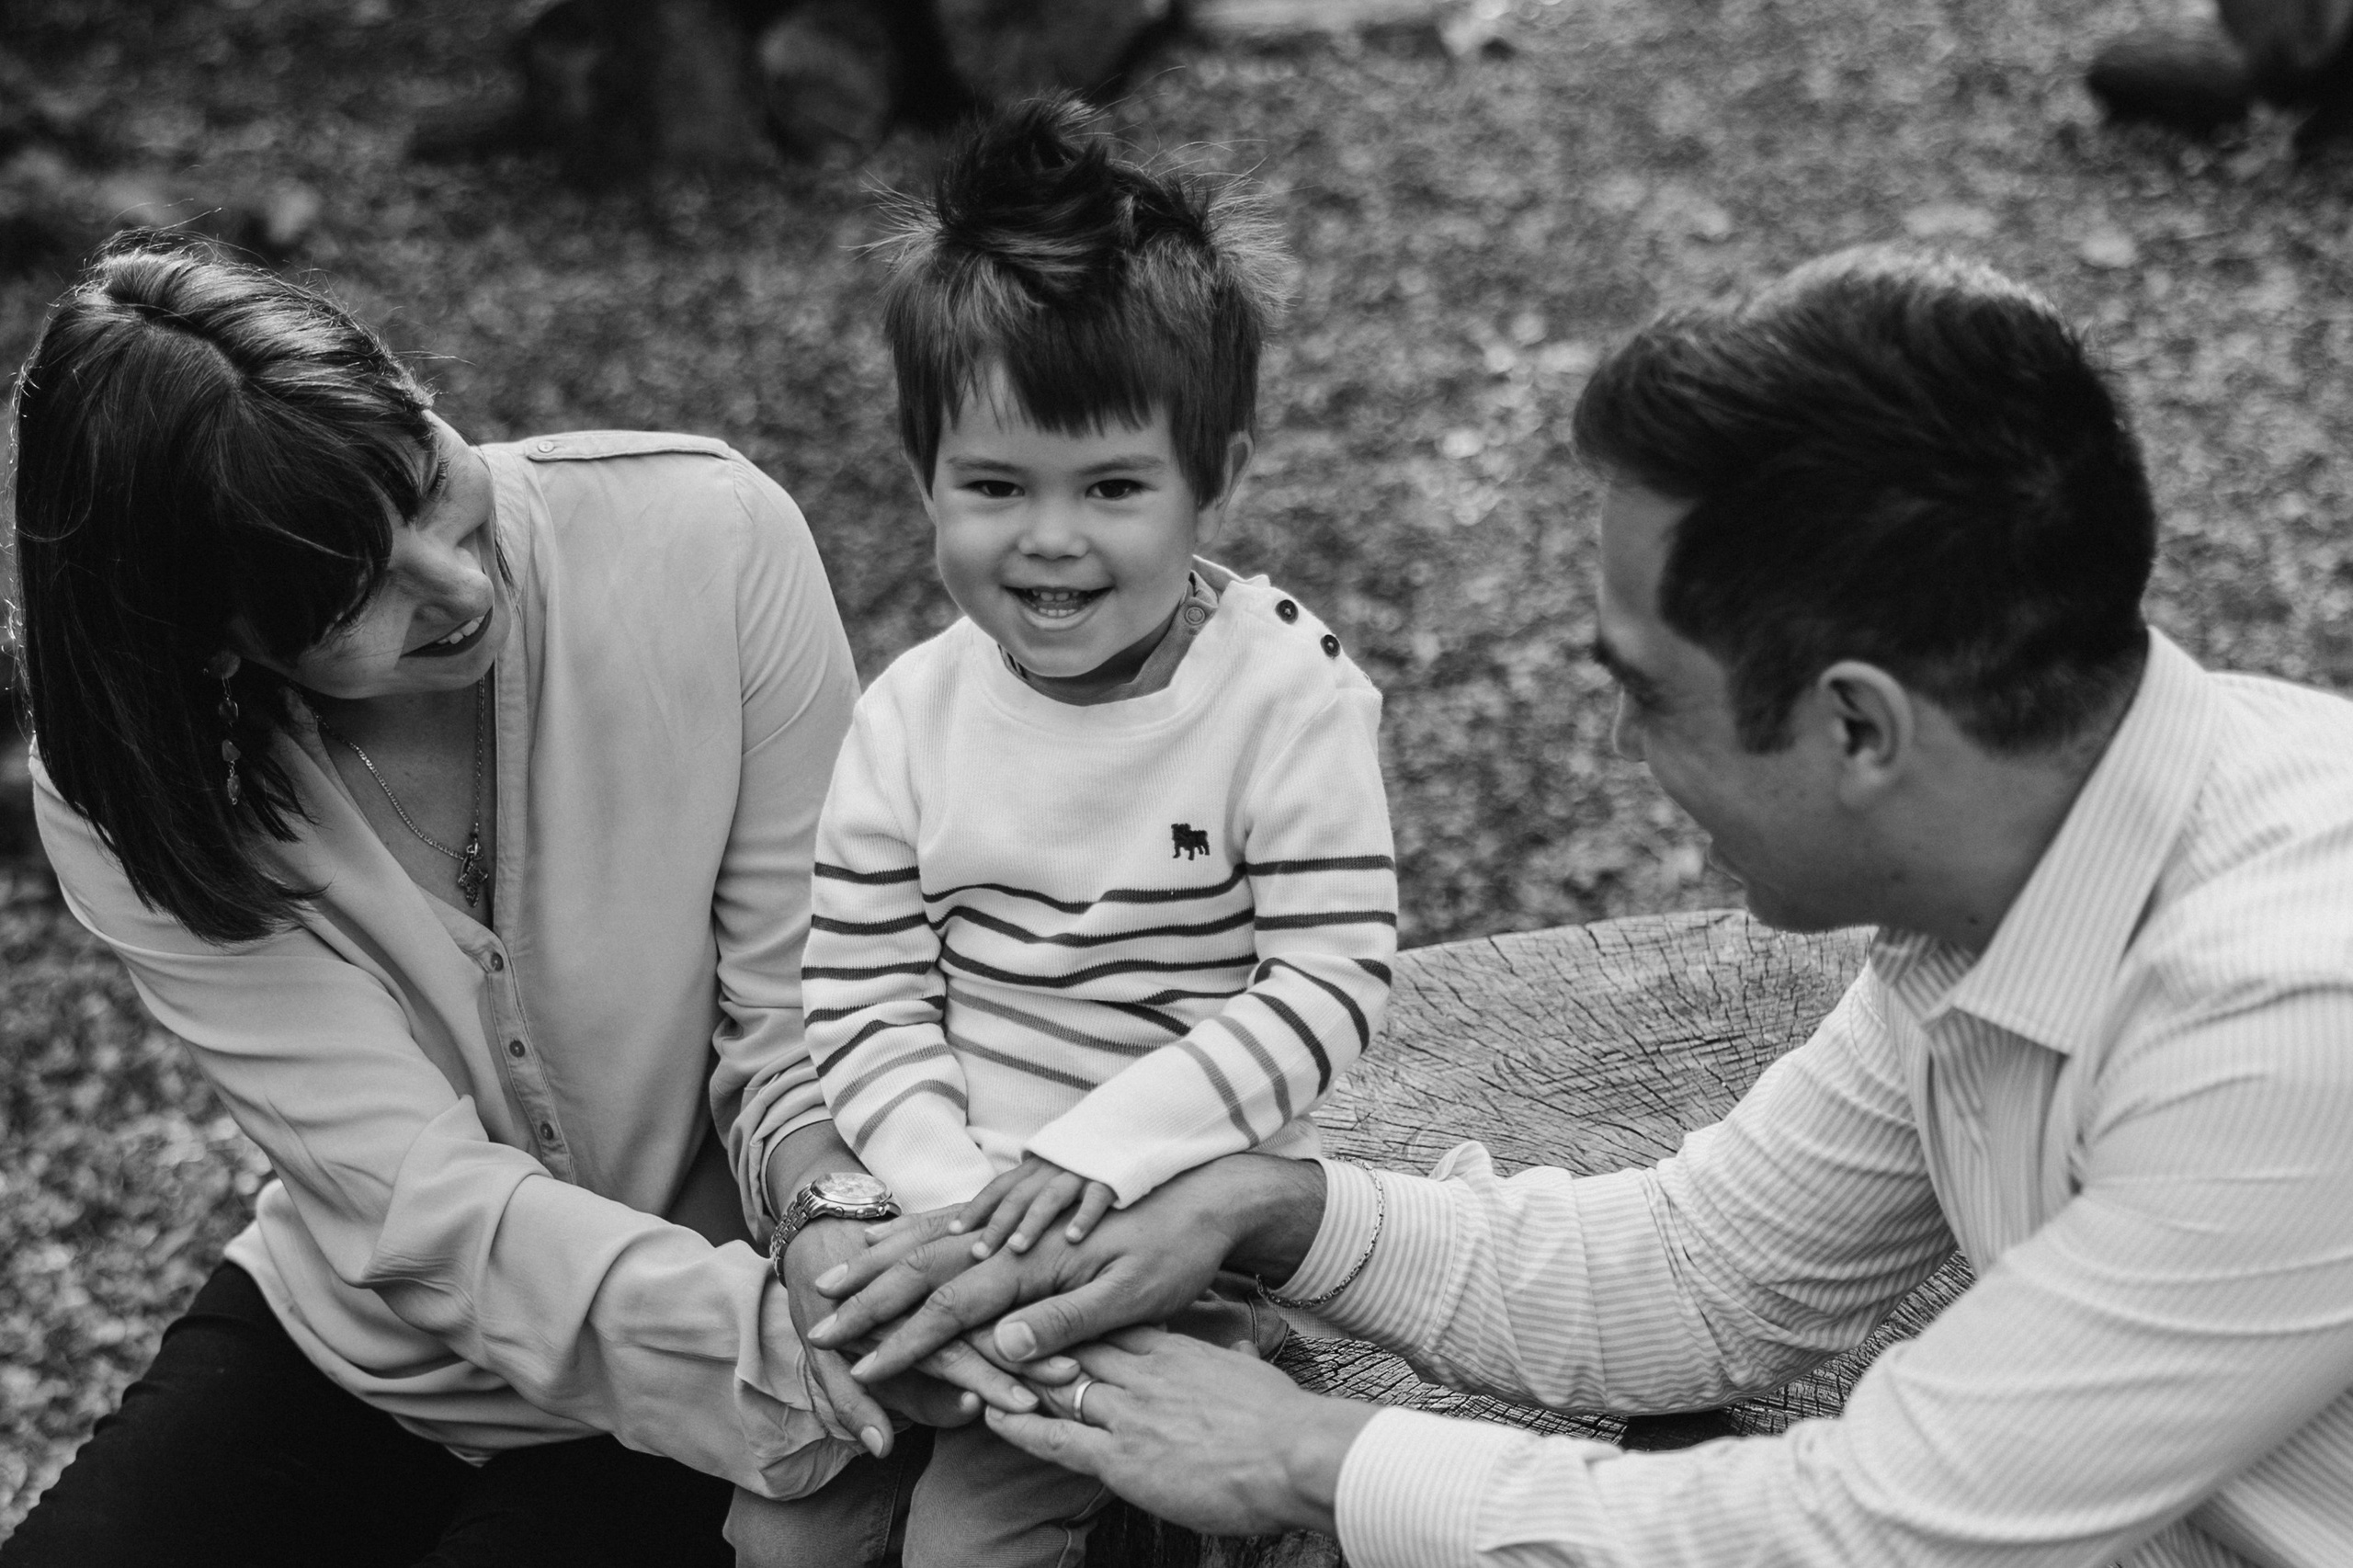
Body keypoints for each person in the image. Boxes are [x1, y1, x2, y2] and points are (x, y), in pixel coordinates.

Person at [804, 249, 2353, 1566]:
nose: (1620, 749)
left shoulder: (2286, 1010)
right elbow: (1701, 1273)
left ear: (1860, 729)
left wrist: (1314, 1457)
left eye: (1650, 694)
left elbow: (1870, 1532)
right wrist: (1269, 1210)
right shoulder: (2008, 885)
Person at [2, 231, 1038, 1568]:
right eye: (352, 596)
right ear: (212, 634)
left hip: (715, 1354)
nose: (459, 585)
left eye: (434, 485)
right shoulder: (129, 789)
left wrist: (834, 1221)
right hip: (389, 1344)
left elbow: (813, 1007)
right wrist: (801, 1356)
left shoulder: (710, 539)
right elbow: (418, 1201)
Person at [727, 98, 1397, 1568]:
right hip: (936, 1201)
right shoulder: (910, 715)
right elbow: (860, 986)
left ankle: (1209, 1471)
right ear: (924, 476)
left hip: (1157, 1227)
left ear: (1213, 473)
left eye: (1111, 487)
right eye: (994, 487)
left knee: (972, 1544)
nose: (1049, 539)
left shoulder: (1286, 696)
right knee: (780, 1535)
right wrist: (946, 1191)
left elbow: (1331, 979)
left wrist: (1096, 1158)